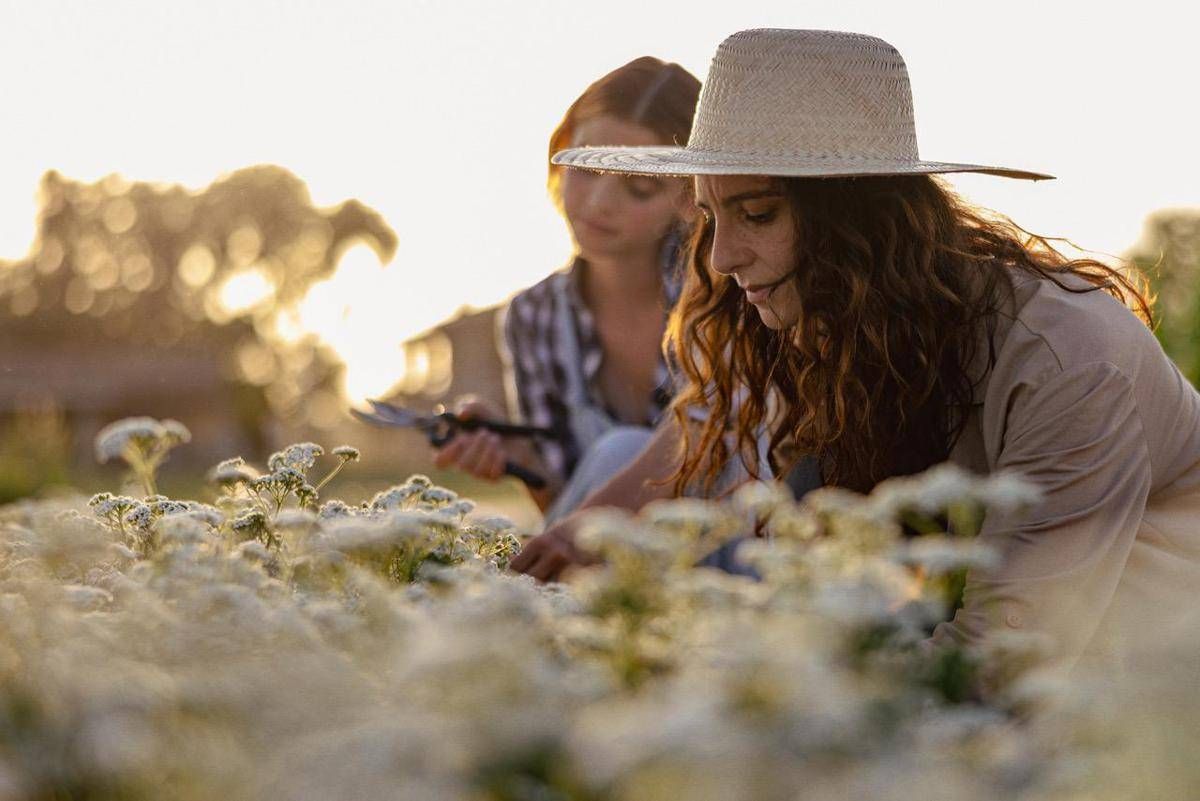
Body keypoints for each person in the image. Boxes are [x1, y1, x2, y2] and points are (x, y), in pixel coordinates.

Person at [513, 28, 1200, 667]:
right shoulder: (839, 331)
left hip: (1149, 677)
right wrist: (601, 539)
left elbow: (1004, 660)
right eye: (710, 216)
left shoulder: (1066, 361)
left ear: (861, 221)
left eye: (757, 214)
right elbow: (717, 432)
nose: (721, 257)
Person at [433, 57, 701, 524]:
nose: (599, 204)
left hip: (730, 547)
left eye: (640, 186)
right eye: (585, 168)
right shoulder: (532, 317)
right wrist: (522, 459)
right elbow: (564, 508)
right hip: (606, 558)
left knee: (622, 450)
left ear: (692, 194)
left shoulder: (721, 292)